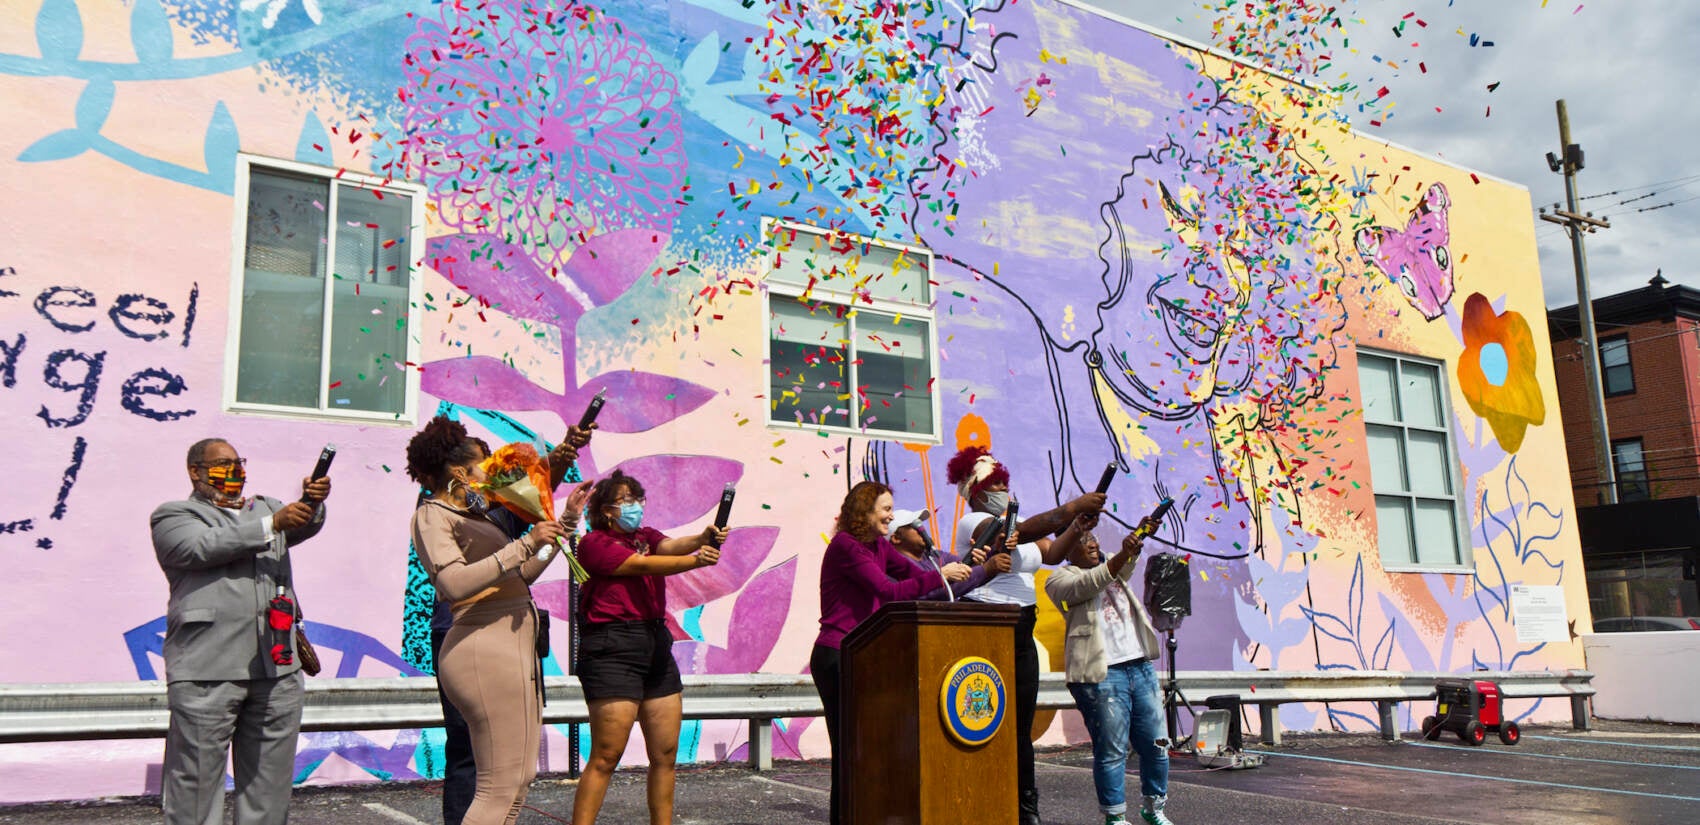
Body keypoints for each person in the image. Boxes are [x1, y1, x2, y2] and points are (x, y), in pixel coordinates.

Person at [407, 417, 589, 825]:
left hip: (510, 643)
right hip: (481, 646)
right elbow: (452, 583)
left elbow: (521, 576)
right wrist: (524, 542)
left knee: (517, 779)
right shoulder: (433, 515)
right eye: (483, 465)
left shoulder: (479, 515)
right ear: (459, 471)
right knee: (495, 787)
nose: (491, 471)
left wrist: (566, 528)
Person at [150, 438, 331, 825]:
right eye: (221, 464)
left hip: (276, 668)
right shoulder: (175, 516)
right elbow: (201, 547)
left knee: (269, 787)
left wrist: (312, 503)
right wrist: (272, 525)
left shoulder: (264, 507)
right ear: (195, 471)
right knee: (195, 786)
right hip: (207, 671)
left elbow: (298, 524)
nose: (234, 471)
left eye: (237, 462)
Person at [947, 446, 1106, 825]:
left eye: (1005, 482)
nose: (1005, 489)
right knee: (983, 719)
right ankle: (977, 798)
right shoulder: (976, 524)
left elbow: (1051, 554)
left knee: (1020, 726)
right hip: (985, 623)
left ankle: (1025, 806)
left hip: (1021, 627)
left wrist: (1076, 527)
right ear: (977, 492)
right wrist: (1068, 508)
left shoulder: (1018, 529)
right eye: (995, 484)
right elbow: (1022, 530)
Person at [812, 482, 973, 825]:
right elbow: (888, 590)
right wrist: (939, 576)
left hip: (863, 654)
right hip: (837, 655)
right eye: (885, 509)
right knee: (849, 749)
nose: (890, 516)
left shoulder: (879, 547)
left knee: (868, 748)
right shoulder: (847, 546)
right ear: (864, 512)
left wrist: (963, 568)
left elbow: (917, 579)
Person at [571, 470, 725, 825]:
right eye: (626, 501)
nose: (635, 507)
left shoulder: (645, 535)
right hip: (612, 648)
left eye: (638, 500)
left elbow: (669, 546)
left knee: (666, 752)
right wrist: (694, 561)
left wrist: (703, 538)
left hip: (654, 643)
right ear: (606, 509)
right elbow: (641, 564)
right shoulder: (594, 543)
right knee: (607, 754)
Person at [1043, 521, 1176, 825]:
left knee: (1157, 745)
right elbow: (1090, 584)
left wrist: (1140, 534)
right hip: (1103, 674)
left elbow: (1122, 566)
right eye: (1084, 541)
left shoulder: (1112, 567)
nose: (1093, 545)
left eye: (1095, 540)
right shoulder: (1060, 579)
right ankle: (1115, 817)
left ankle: (1155, 808)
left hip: (1139, 666)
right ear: (1068, 548)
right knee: (1112, 750)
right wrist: (1121, 557)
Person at [888, 507, 1012, 600]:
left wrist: (996, 550)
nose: (922, 529)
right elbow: (934, 592)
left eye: (921, 523)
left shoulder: (934, 556)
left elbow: (964, 569)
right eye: (914, 526)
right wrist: (986, 569)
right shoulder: (895, 566)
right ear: (896, 538)